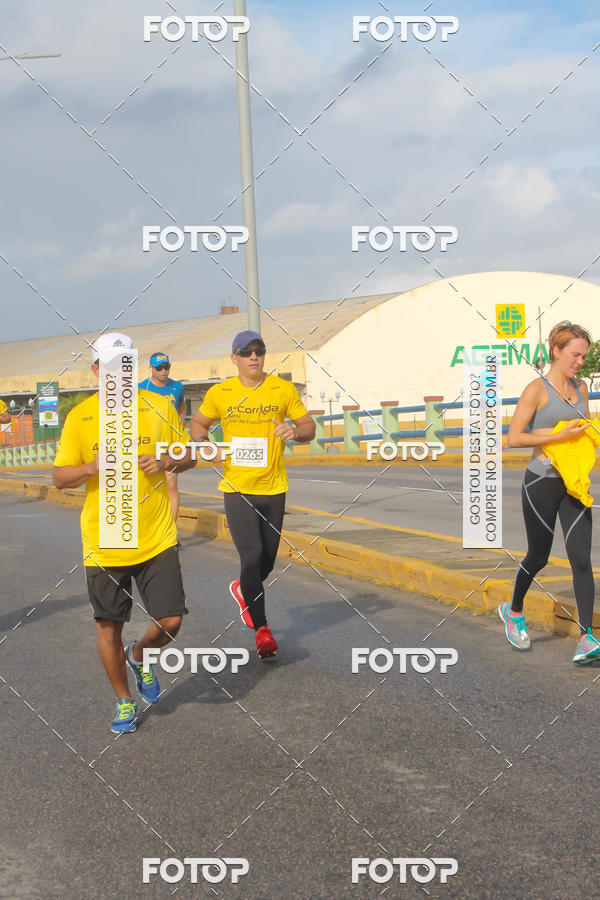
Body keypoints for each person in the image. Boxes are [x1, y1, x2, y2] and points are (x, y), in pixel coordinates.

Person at [53, 333, 195, 733]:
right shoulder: (80, 417)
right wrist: (89, 468)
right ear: (95, 370)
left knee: (171, 620)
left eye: (124, 364)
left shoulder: (159, 406)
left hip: (155, 535)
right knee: (108, 627)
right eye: (110, 366)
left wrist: (166, 461)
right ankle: (123, 701)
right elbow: (59, 477)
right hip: (105, 540)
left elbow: (188, 455)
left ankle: (140, 653)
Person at [190, 330, 316, 659]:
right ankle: (263, 631)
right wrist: (204, 445)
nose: (254, 357)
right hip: (237, 487)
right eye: (246, 352)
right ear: (234, 358)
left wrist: (295, 431)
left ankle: (243, 589)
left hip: (274, 487)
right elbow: (198, 423)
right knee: (250, 556)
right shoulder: (221, 392)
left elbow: (309, 427)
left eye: (259, 351)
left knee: (266, 563)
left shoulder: (282, 389)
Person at [501, 320, 600, 664]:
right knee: (538, 556)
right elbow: (514, 438)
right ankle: (514, 611)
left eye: (584, 356)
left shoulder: (582, 387)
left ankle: (586, 638)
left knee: (582, 559)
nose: (580, 362)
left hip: (573, 482)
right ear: (557, 351)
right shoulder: (536, 390)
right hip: (541, 482)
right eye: (576, 354)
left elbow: (582, 430)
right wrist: (558, 436)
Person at [139, 352, 186, 525]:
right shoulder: (142, 388)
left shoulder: (177, 387)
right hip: (149, 441)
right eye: (159, 368)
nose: (164, 371)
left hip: (170, 442)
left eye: (167, 367)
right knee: (149, 485)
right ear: (151, 368)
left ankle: (172, 529)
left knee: (171, 484)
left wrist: (179, 422)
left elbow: (182, 405)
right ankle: (149, 524)